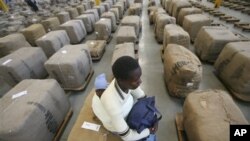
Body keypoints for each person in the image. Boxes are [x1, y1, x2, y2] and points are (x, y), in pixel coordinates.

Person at [92, 56, 158, 141]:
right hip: (114, 124)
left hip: (120, 113)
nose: (140, 81)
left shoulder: (125, 82)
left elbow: (144, 98)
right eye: (136, 80)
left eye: (139, 77)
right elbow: (127, 137)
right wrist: (149, 131)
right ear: (120, 80)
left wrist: (154, 117)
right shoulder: (111, 102)